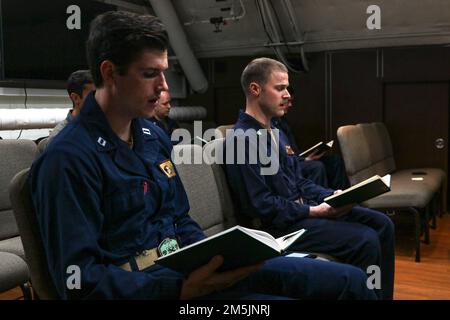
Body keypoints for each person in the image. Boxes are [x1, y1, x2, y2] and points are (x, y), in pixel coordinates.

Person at [29, 11, 376, 300]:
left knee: (349, 282)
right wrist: (177, 289)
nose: (164, 87)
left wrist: (216, 257)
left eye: (164, 72)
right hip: (154, 290)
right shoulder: (67, 160)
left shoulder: (151, 136)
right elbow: (80, 283)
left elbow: (179, 217)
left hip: (186, 269)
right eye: (150, 74)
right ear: (109, 73)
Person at [224, 57, 395, 299]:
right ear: (255, 89)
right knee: (365, 240)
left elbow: (299, 181)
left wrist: (333, 196)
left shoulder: (277, 132)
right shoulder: (241, 140)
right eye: (280, 88)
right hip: (279, 228)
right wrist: (313, 212)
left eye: (287, 88)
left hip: (300, 213)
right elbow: (260, 205)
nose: (287, 95)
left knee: (383, 224)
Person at [272, 101, 350, 190]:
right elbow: (284, 156)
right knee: (316, 166)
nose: (290, 105)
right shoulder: (263, 129)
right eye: (287, 101)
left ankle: (341, 196)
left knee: (335, 161)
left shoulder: (282, 122)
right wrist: (303, 159)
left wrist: (305, 156)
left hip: (295, 158)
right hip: (288, 164)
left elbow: (289, 148)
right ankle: (320, 201)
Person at [46, 70, 95, 144]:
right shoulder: (60, 139)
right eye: (94, 95)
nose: (101, 101)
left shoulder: (100, 128)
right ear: (76, 98)